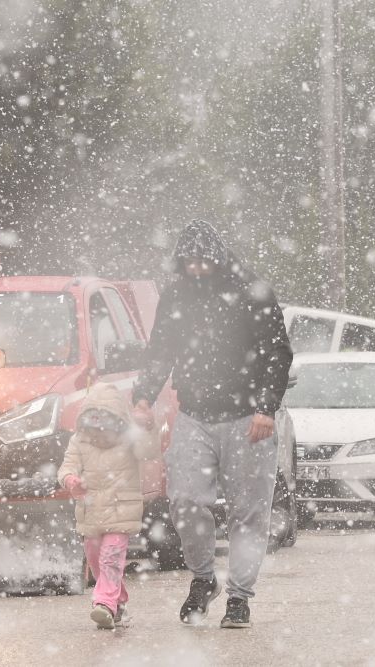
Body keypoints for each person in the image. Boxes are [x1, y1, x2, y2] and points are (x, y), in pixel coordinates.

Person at [133, 220, 293, 629]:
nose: (198, 269)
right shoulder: (176, 296)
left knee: (249, 512)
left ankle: (239, 597)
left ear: (219, 258)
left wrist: (265, 407)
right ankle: (203, 578)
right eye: (190, 262)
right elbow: (161, 349)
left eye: (205, 261)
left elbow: (277, 350)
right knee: (184, 500)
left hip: (247, 419)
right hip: (194, 415)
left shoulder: (251, 291)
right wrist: (143, 396)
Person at [56, 382, 160, 630]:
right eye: (94, 416)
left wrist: (147, 428)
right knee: (95, 560)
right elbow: (66, 467)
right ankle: (119, 600)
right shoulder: (79, 441)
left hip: (121, 510)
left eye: (106, 416)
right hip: (91, 512)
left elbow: (148, 452)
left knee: (111, 558)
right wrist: (71, 481)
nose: (100, 423)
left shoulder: (130, 438)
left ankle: (103, 603)